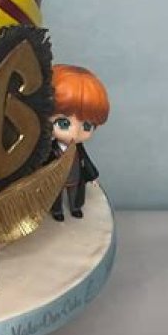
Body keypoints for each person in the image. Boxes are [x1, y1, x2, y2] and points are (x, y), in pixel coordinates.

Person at [48, 64, 110, 220]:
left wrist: (92, 175)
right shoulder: (50, 149)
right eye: (64, 123)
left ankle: (75, 207)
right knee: (54, 195)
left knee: (75, 193)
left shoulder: (78, 149)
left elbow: (86, 161)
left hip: (74, 176)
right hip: (55, 179)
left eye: (87, 126)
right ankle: (57, 211)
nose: (75, 133)